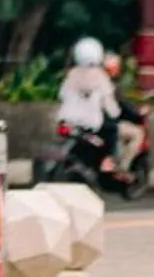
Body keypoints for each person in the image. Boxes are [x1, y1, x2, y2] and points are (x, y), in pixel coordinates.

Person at [57, 35, 122, 166]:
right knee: (113, 129)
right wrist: (116, 114)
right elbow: (111, 107)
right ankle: (109, 163)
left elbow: (61, 95)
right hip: (90, 124)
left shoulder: (71, 74)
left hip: (67, 122)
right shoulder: (100, 76)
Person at [102, 50, 146, 173]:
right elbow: (123, 104)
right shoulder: (111, 85)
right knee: (138, 133)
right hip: (107, 124)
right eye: (116, 67)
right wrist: (138, 112)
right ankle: (123, 167)